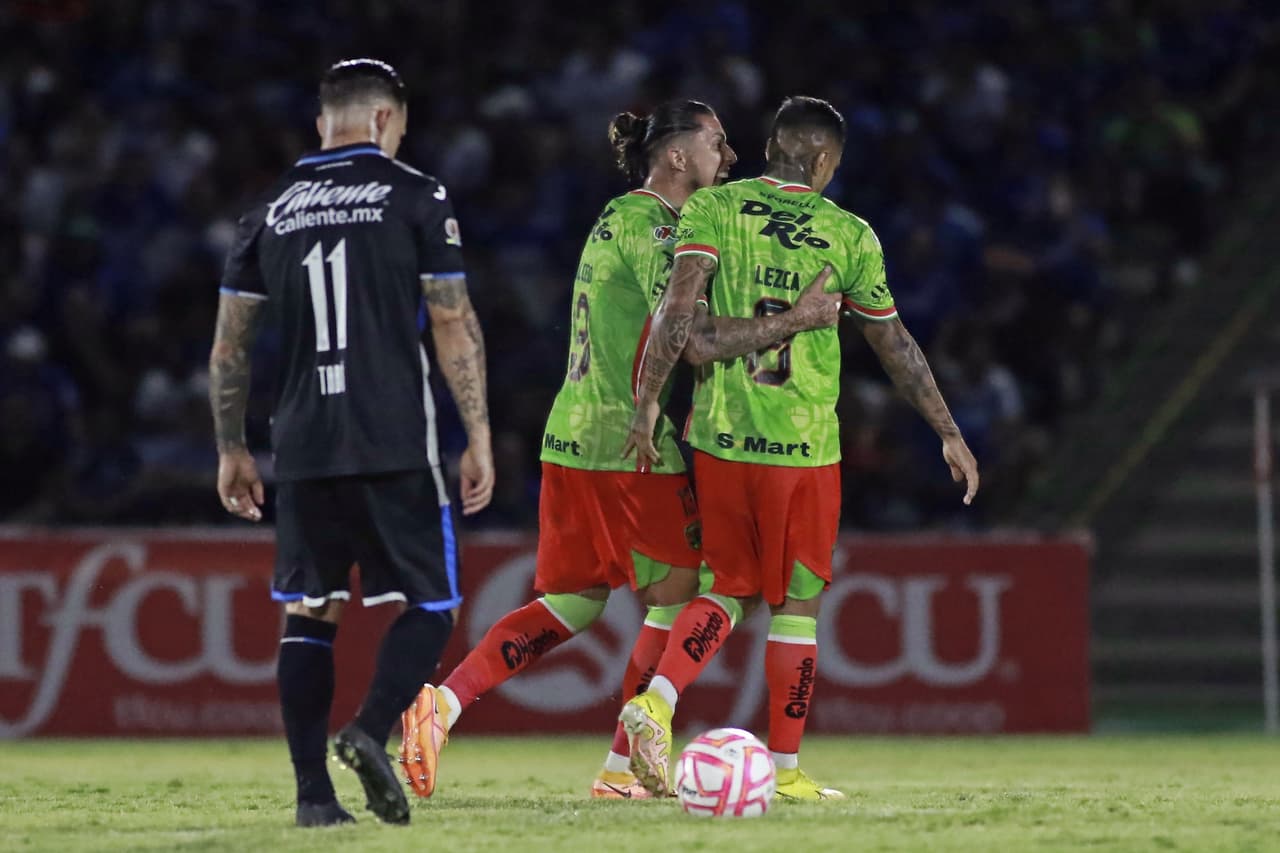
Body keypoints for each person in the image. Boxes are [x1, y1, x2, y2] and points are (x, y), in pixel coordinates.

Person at [399, 99, 840, 801]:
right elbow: (688, 333)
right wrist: (798, 316)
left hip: (568, 434)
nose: (729, 159)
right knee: (708, 589)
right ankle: (626, 752)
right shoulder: (657, 228)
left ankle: (443, 704)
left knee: (574, 602)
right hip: (628, 445)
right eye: (717, 144)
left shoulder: (614, 214)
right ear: (675, 156)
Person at [619, 96, 980, 800]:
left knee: (727, 587)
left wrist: (647, 401)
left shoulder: (714, 209)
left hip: (720, 439)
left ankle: (657, 699)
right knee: (796, 606)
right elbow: (894, 344)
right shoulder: (848, 234)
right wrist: (947, 429)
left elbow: (677, 312)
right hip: (802, 447)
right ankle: (784, 771)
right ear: (821, 160)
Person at [209, 58, 493, 828]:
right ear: (383, 121)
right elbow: (451, 320)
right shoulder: (415, 194)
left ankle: (312, 798)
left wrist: (231, 447)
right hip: (393, 433)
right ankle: (368, 730)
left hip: (302, 444)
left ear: (321, 123)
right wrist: (479, 435)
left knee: (312, 609)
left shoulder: (269, 206)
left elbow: (231, 346)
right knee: (433, 603)